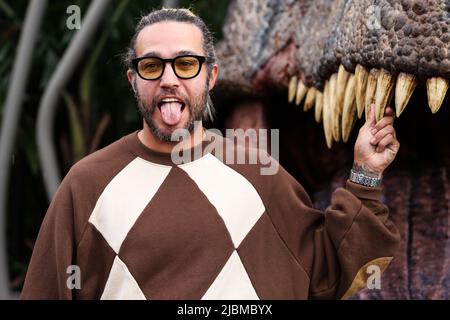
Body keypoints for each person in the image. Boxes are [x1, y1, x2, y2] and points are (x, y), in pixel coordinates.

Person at [21, 8, 400, 300]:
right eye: (151, 66)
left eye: (186, 64)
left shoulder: (258, 173)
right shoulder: (86, 184)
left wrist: (366, 173)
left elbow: (329, 270)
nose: (169, 79)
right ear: (133, 79)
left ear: (211, 75)